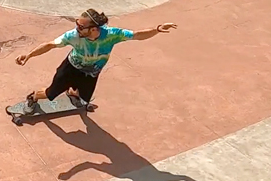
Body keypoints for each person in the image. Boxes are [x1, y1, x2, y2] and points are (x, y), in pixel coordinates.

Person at [14, 9, 178, 110]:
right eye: (77, 24)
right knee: (50, 94)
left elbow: (137, 35)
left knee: (85, 98)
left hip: (92, 72)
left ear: (93, 29)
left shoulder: (112, 34)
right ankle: (33, 97)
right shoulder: (73, 36)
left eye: (81, 26)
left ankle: (72, 92)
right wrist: (28, 55)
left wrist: (157, 29)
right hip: (71, 68)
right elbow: (50, 45)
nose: (77, 28)